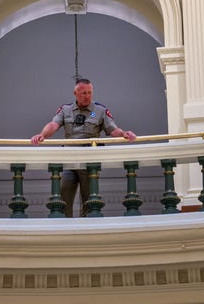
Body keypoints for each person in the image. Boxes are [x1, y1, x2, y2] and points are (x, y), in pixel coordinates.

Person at [30, 78, 136, 217]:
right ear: (75, 93)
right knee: (64, 193)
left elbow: (112, 129)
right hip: (69, 159)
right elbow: (53, 124)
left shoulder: (99, 111)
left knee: (89, 197)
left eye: (89, 93)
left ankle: (87, 225)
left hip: (89, 161)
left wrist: (123, 134)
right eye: (83, 93)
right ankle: (65, 225)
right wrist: (42, 135)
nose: (87, 96)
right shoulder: (65, 110)